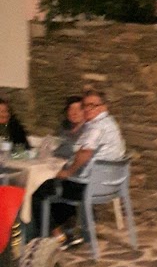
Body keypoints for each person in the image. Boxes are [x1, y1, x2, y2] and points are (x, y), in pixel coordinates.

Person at [31, 87, 126, 247]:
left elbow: (85, 152)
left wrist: (68, 171)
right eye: (85, 105)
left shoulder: (96, 126)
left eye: (92, 105)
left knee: (39, 191)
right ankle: (63, 233)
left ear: (103, 107)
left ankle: (55, 237)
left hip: (90, 187)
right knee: (58, 188)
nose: (87, 109)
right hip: (108, 186)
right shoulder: (110, 123)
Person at [54, 95, 85, 160]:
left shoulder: (90, 129)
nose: (75, 113)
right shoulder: (65, 126)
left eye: (79, 109)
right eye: (71, 109)